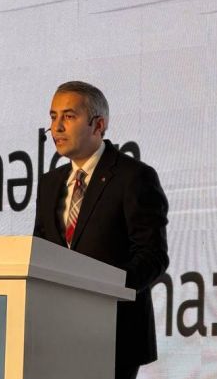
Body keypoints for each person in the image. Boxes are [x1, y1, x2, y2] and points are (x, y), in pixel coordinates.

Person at [33, 81, 169, 379]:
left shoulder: (134, 177)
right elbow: (40, 253)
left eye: (68, 116)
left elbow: (152, 256)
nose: (56, 127)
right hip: (55, 335)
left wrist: (101, 291)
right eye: (53, 117)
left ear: (98, 124)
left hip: (114, 334)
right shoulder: (49, 183)